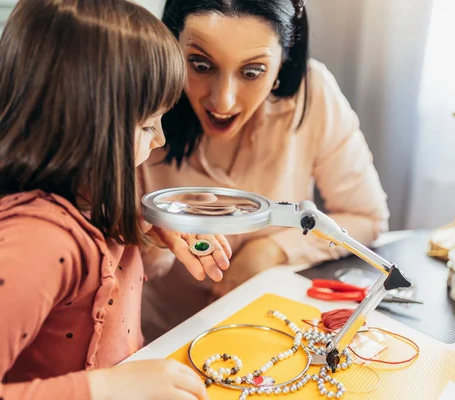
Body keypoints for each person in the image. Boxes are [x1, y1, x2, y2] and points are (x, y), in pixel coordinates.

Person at [0, 1, 232, 399]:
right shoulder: (33, 245)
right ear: (87, 127)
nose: (160, 140)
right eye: (147, 124)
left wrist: (152, 225)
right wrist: (104, 388)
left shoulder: (93, 195)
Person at [139, 0, 390, 342]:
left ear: (283, 60)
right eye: (200, 64)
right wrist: (157, 240)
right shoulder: (139, 106)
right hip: (158, 343)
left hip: (270, 335)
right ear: (172, 43)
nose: (223, 101)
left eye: (252, 71)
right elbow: (113, 263)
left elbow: (367, 217)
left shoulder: (312, 94)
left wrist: (273, 250)